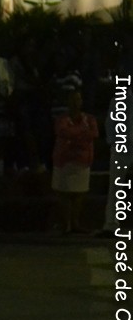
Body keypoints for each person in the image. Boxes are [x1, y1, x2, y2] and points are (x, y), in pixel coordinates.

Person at [51, 88, 98, 234]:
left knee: (79, 193)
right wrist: (81, 133)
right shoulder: (61, 119)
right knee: (63, 192)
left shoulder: (89, 119)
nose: (76, 102)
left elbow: (93, 133)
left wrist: (74, 136)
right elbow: (63, 132)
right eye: (73, 99)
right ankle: (66, 223)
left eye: (78, 99)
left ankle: (75, 223)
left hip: (82, 159)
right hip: (64, 159)